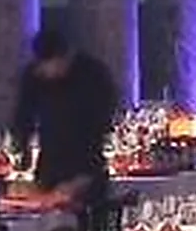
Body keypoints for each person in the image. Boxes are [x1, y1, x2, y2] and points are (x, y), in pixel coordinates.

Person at [12, 29, 119, 222]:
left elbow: (99, 127)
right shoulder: (34, 75)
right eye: (41, 66)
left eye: (50, 65)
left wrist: (81, 179)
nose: (45, 72)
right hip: (48, 168)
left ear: (65, 57)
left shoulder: (93, 74)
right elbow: (23, 116)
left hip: (88, 169)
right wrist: (23, 149)